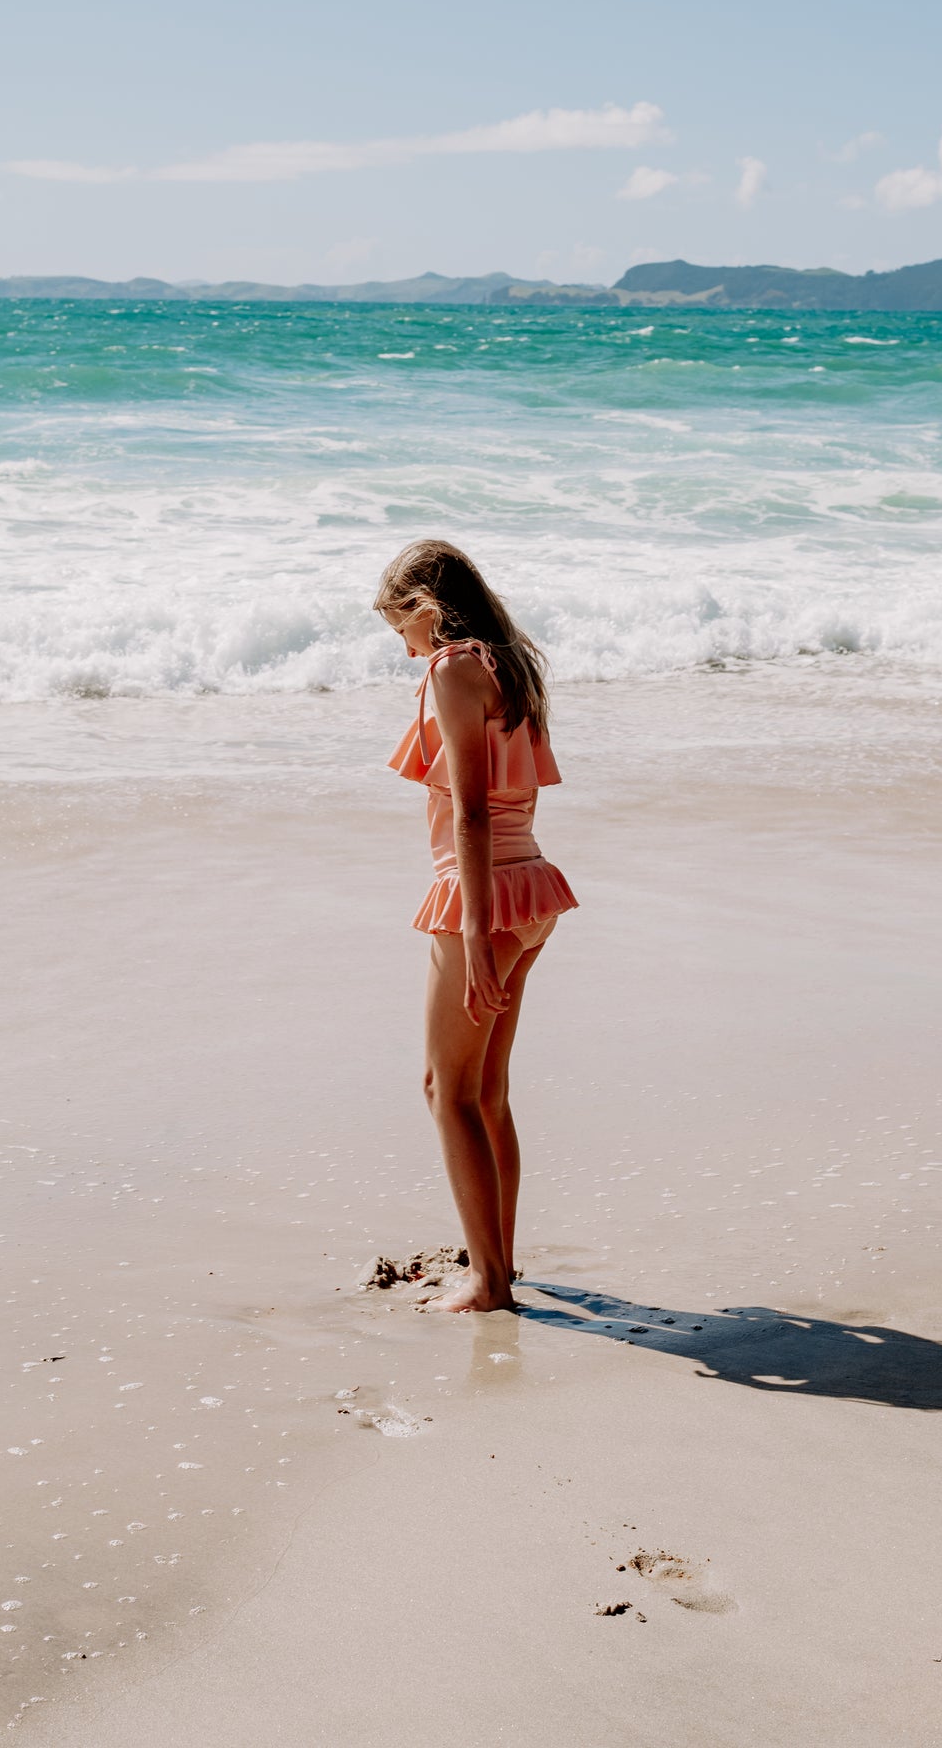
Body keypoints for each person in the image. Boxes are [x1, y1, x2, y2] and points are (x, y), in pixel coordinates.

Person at [375, 540, 577, 1313]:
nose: (403, 646)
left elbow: (466, 811)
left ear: (424, 609)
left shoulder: (452, 668)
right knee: (485, 1091)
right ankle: (499, 1265)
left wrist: (473, 937)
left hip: (483, 897)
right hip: (531, 890)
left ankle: (488, 1283)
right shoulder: (508, 665)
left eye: (401, 629)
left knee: (444, 1089)